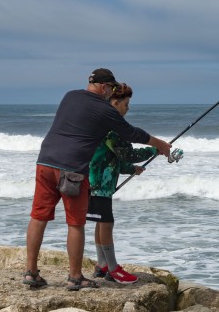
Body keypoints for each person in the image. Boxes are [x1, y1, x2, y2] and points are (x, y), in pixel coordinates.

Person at [24, 68, 171, 291]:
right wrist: (158, 144)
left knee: (38, 216)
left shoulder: (70, 96)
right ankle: (75, 277)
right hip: (72, 168)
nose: (111, 92)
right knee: (76, 223)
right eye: (111, 88)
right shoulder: (104, 108)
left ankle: (31, 273)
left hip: (45, 161)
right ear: (103, 87)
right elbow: (131, 133)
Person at [87, 83, 157, 284]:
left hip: (94, 180)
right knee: (107, 223)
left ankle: (102, 265)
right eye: (126, 105)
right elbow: (127, 153)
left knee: (101, 221)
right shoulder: (112, 129)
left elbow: (110, 156)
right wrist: (155, 150)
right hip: (99, 182)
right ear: (115, 102)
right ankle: (113, 268)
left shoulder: (101, 124)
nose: (127, 109)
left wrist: (129, 169)